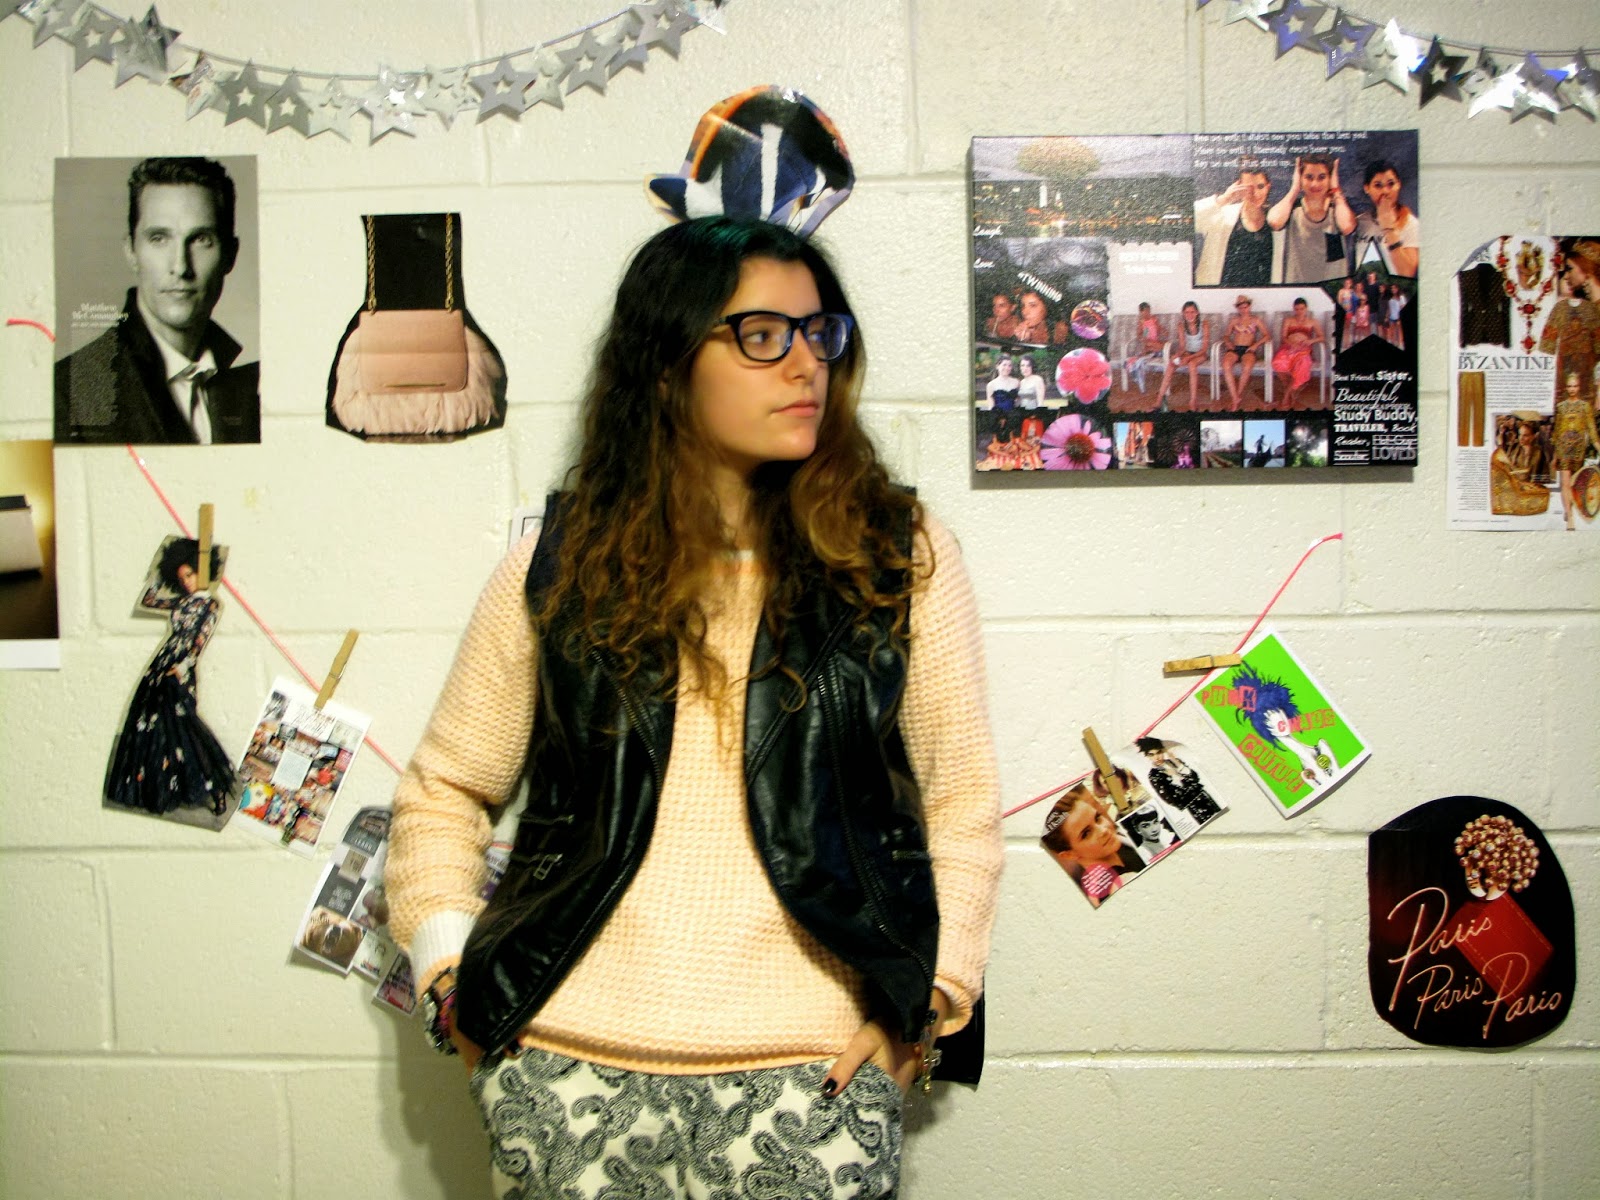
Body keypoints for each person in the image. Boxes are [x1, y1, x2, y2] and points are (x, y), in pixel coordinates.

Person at [385, 215, 1003, 1198]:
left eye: (820, 333)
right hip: (563, 1075)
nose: (805, 363)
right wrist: (452, 985)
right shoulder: (559, 568)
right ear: (667, 365)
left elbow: (962, 802)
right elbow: (442, 793)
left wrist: (925, 1004)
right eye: (762, 335)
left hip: (811, 1084)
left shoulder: (896, 559)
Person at [54, 157, 259, 445]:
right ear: (131, 252)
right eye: (159, 238)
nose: (181, 267)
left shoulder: (256, 386)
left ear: (230, 255)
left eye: (200, 239)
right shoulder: (72, 391)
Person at [104, 537, 234, 821]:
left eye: (190, 574)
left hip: (180, 668)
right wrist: (156, 574)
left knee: (186, 728)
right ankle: (158, 789)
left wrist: (183, 667)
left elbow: (200, 640)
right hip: (161, 664)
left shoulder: (210, 605)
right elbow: (149, 600)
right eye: (181, 577)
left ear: (202, 571)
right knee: (152, 726)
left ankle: (216, 790)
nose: (186, 582)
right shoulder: (181, 601)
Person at [1040, 784, 1144, 908]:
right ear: (1069, 854)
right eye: (1086, 833)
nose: (1103, 830)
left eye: (1097, 818)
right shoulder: (1112, 890)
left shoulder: (1127, 840)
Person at [1267, 155, 1355, 285]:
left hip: (1331, 287)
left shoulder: (1338, 207)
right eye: (1309, 177)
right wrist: (1295, 189)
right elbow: (1274, 222)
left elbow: (1347, 227)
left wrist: (1336, 190)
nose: (1315, 184)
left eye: (1322, 177)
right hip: (1298, 287)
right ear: (1300, 178)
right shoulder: (1292, 207)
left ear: (1330, 178)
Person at [1193, 163, 1280, 287]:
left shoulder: (1277, 219)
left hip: (1261, 294)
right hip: (1217, 293)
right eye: (1248, 188)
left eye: (1260, 186)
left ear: (1268, 187)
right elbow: (1189, 220)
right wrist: (1224, 199)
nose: (1255, 193)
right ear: (1237, 187)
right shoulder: (1222, 214)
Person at [1350, 160, 1419, 279]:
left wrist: (1389, 229)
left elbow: (1407, 273)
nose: (1385, 191)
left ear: (1399, 184)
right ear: (1367, 188)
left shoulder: (1410, 223)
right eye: (1378, 185)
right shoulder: (1359, 222)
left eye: (1391, 184)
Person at [1135, 737, 1222, 827]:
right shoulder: (1154, 775)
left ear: (1163, 751)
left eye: (1159, 753)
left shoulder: (1173, 762)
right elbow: (1170, 798)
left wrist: (1176, 762)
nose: (1156, 757)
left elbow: (1195, 777)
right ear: (1147, 756)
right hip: (1192, 806)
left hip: (1205, 797)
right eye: (1151, 755)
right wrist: (1177, 778)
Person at [1552, 370, 1600, 530]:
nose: (1572, 389)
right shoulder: (1560, 407)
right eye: (1569, 386)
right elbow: (1556, 432)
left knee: (1575, 484)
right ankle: (1570, 517)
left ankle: (1570, 508)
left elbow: (1592, 432)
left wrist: (1598, 448)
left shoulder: (1585, 407)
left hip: (1579, 450)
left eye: (1575, 386)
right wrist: (1554, 456)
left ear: (1579, 387)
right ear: (1566, 388)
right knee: (1565, 482)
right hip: (1563, 449)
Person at [1155, 301, 1210, 411]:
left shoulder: (1204, 324)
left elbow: (1204, 349)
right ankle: (1159, 400)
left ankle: (1193, 401)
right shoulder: (1181, 326)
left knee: (1192, 365)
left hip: (1200, 354)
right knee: (1171, 365)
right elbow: (1182, 347)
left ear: (1197, 312)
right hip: (1187, 352)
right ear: (1183, 314)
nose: (1190, 315)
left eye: (1192, 312)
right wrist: (1176, 355)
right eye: (1187, 312)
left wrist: (1188, 358)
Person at [1271, 297, 1324, 407]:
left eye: (1302, 309)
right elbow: (1283, 337)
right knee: (1277, 362)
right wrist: (1292, 344)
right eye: (1297, 309)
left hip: (1303, 349)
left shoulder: (1312, 321)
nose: (1299, 311)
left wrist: (1310, 341)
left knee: (1302, 365)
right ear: (1294, 309)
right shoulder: (1288, 320)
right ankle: (1290, 388)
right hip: (1288, 347)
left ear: (1306, 308)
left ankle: (1286, 395)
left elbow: (1322, 337)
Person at [1221, 295, 1269, 411]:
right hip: (1235, 348)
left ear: (1249, 306)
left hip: (1249, 349)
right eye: (1241, 307)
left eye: (1245, 307)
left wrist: (1255, 345)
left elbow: (1267, 335)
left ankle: (1237, 395)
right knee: (1226, 365)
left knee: (1247, 366)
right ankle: (1235, 397)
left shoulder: (1255, 320)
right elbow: (1226, 335)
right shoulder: (1234, 321)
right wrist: (1228, 343)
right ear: (1237, 308)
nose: (1243, 310)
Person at [1125, 302, 1165, 395]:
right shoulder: (1141, 322)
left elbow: (1160, 331)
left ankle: (1150, 351)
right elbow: (1141, 335)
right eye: (1145, 311)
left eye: (1148, 311)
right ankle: (1142, 387)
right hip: (1148, 345)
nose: (1147, 313)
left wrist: (1158, 327)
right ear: (1140, 312)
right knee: (1146, 347)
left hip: (1156, 344)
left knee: (1158, 345)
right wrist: (1143, 336)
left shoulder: (1154, 319)